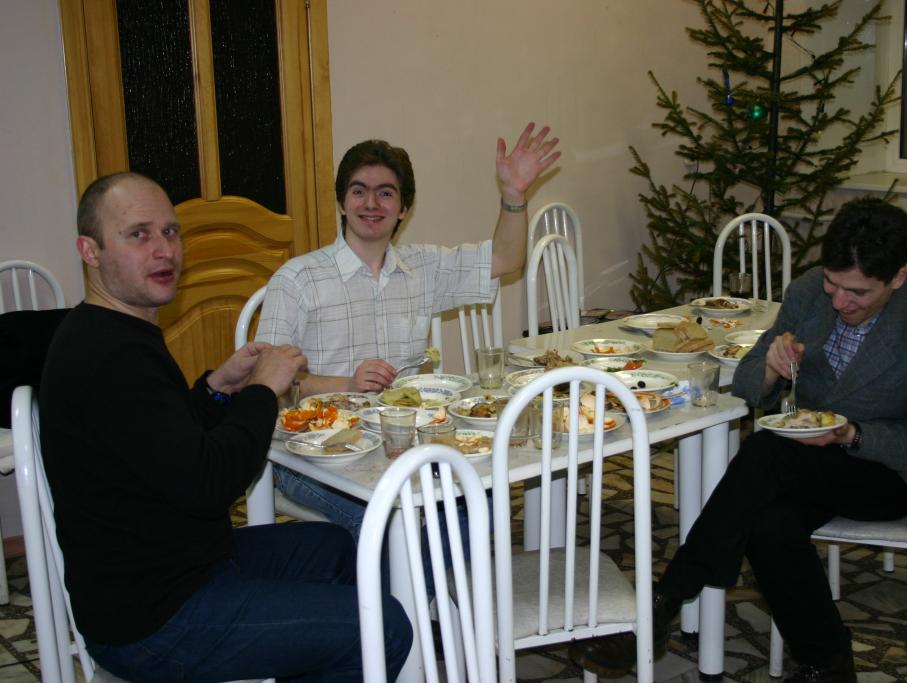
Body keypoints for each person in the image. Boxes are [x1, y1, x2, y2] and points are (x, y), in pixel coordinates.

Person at [571, 198, 907, 683]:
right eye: (833, 284)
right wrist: (772, 369)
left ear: (898, 278)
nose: (840, 301)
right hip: (800, 464)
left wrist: (852, 433)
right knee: (769, 524)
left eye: (858, 292)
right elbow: (747, 383)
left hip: (884, 473)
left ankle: (663, 601)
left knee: (765, 451)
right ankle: (829, 665)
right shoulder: (807, 293)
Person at [40, 172, 412, 682]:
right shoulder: (110, 356)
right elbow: (210, 482)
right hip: (154, 618)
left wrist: (219, 389)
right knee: (383, 628)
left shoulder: (115, 331)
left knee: (337, 549)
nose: (163, 250)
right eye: (138, 234)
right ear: (91, 251)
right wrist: (262, 390)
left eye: (170, 232)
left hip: (184, 562)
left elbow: (164, 443)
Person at [255, 123, 560, 544]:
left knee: (483, 500)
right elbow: (263, 382)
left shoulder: (423, 268)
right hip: (314, 456)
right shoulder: (298, 279)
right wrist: (348, 384)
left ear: (403, 208)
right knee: (393, 523)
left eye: (386, 193)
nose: (371, 203)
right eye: (359, 191)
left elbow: (506, 258)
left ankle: (427, 586)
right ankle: (403, 586)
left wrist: (513, 196)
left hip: (404, 445)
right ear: (342, 202)